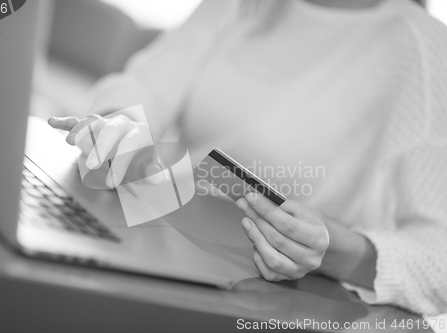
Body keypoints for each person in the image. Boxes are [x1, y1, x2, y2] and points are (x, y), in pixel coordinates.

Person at [48, 0, 447, 315]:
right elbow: (145, 85)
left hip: (273, 299)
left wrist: (339, 250)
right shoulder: (238, 4)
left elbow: (439, 259)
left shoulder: (422, 47)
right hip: (157, 239)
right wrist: (119, 125)